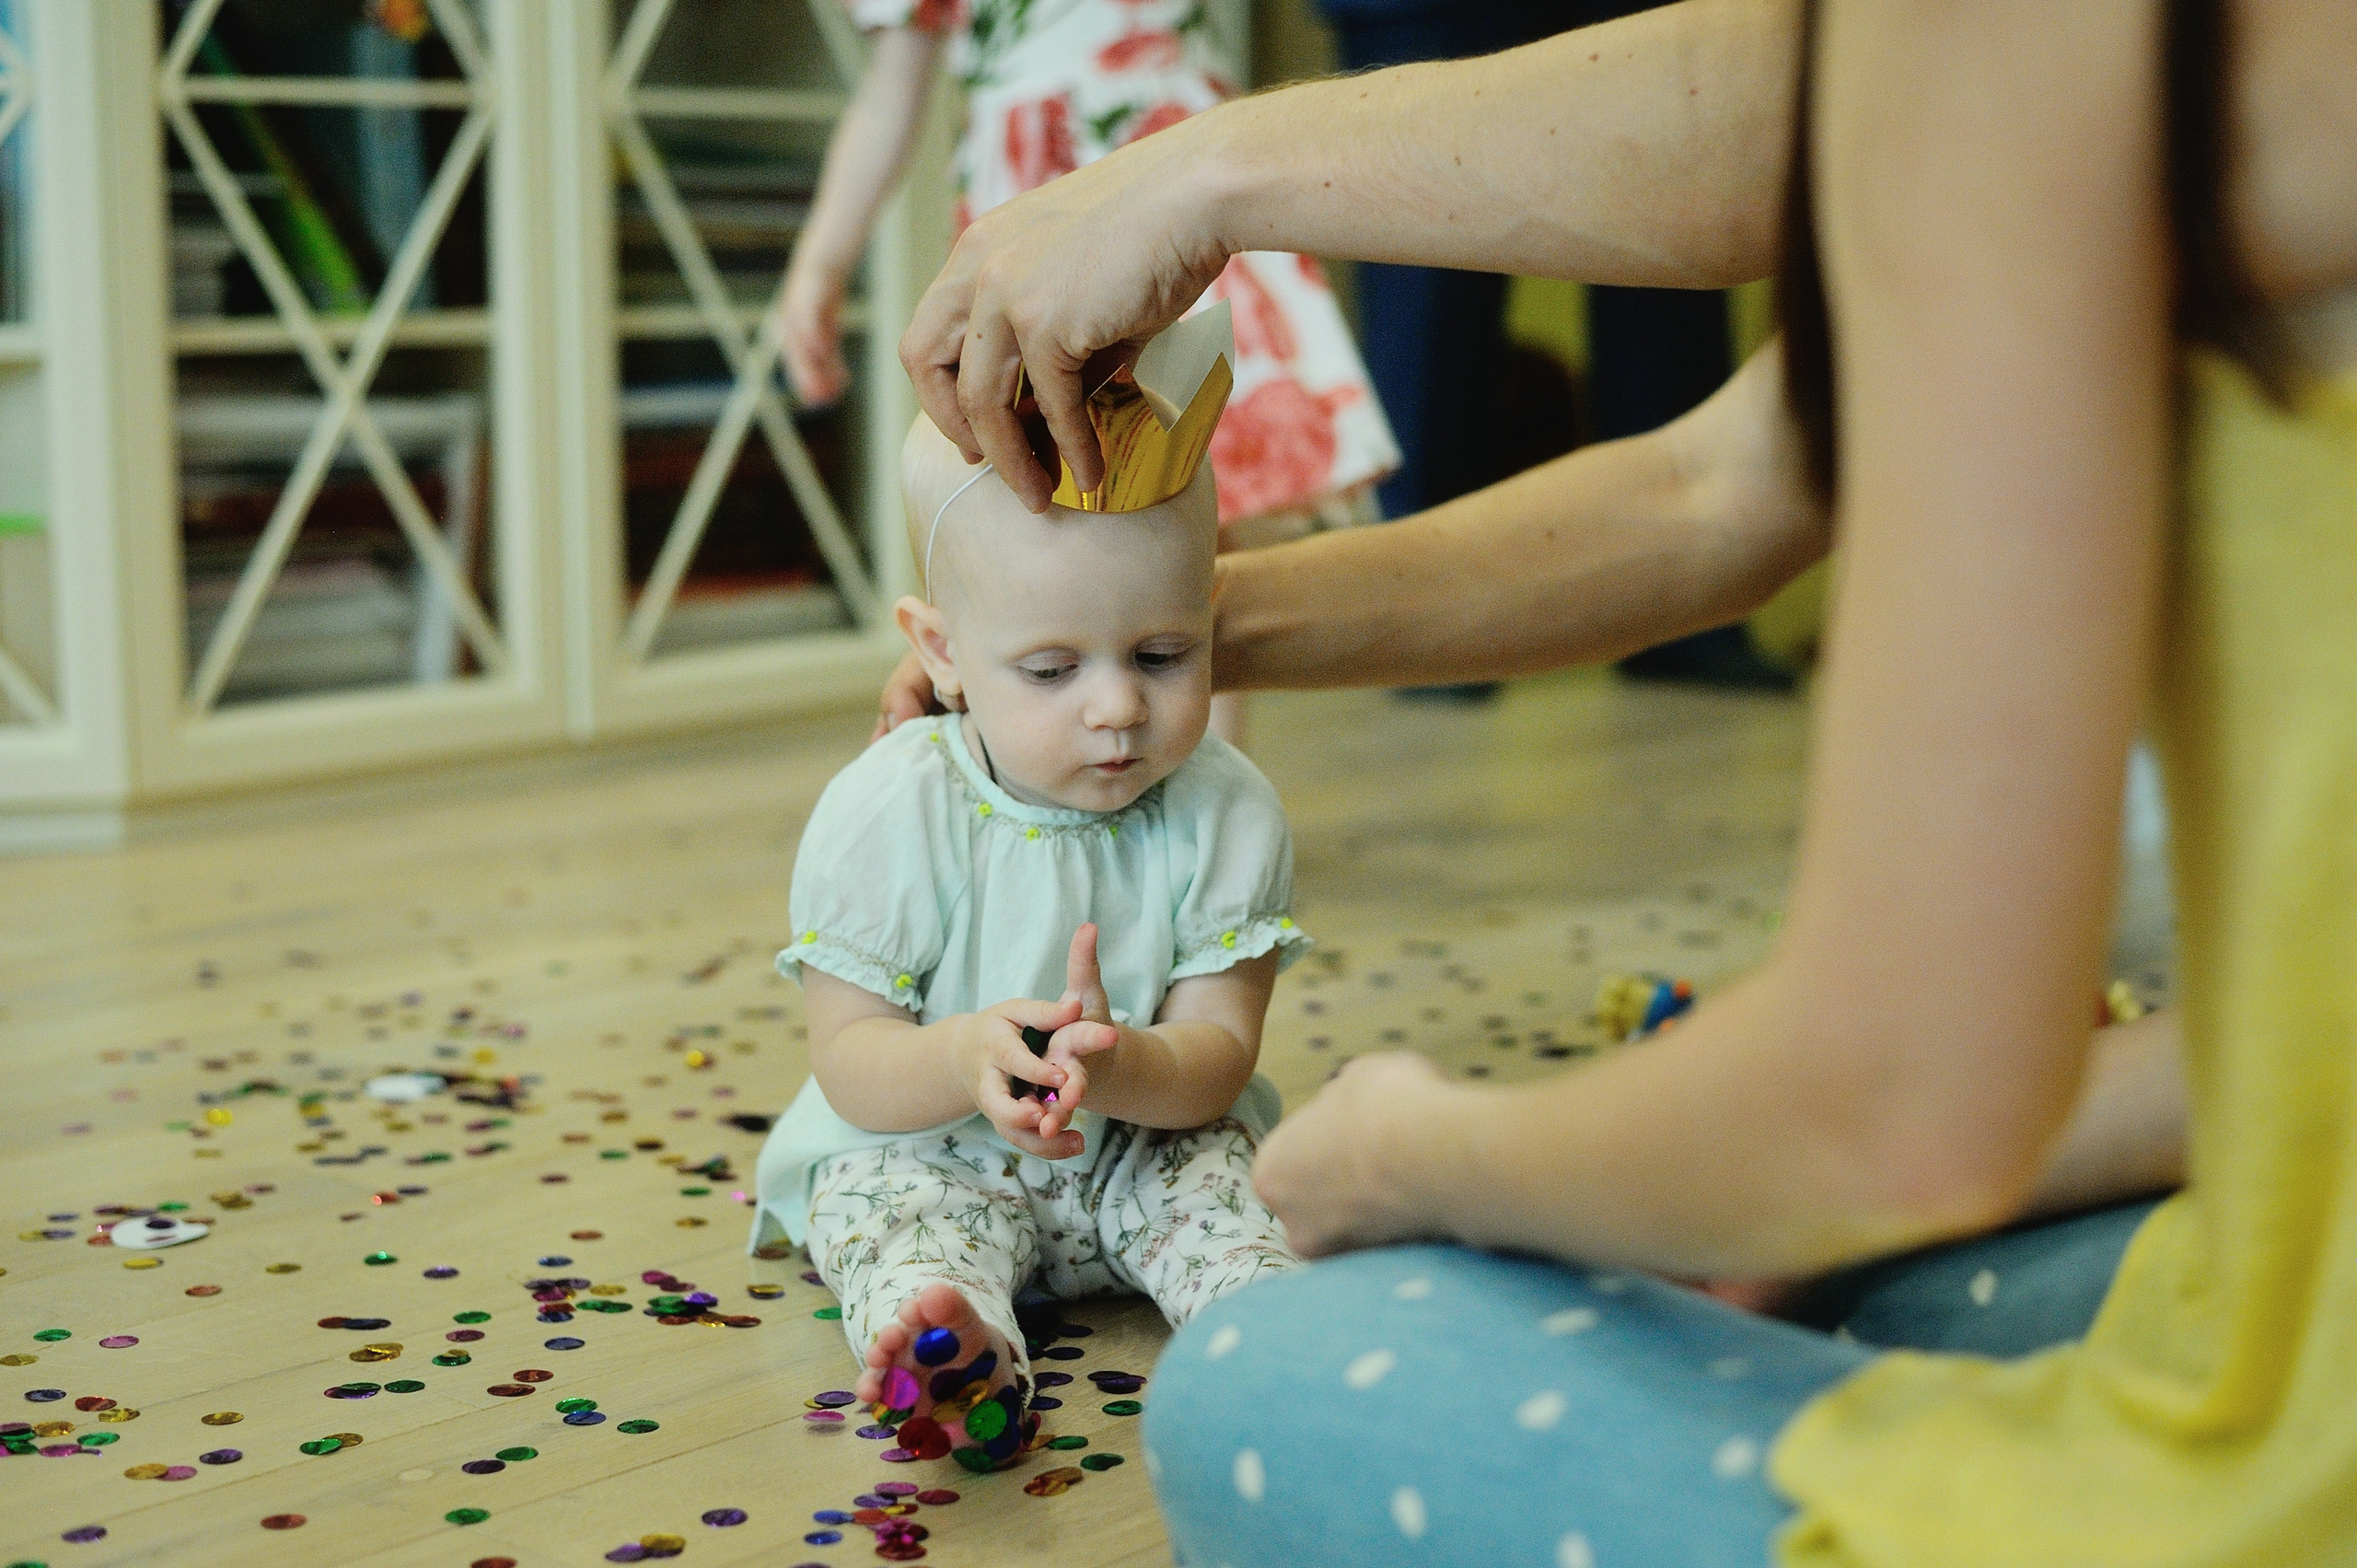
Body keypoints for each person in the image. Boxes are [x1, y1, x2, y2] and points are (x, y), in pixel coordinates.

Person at [882, 0, 2357, 1562]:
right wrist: (1140, 641)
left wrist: (1424, 1150)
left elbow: (1906, 1103)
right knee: (1875, 1269)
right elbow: (1725, 478)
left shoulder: (2044, 73)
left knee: (1273, 1378)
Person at [748, 390, 1306, 1471]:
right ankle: (960, 1354)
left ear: (1211, 617)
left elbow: (1220, 1056)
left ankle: (1271, 1338)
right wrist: (962, 1051)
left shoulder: (1228, 809)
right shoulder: (889, 808)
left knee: (1225, 1192)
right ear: (940, 650)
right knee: (884, 1215)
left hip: (1146, 1144)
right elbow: (854, 1068)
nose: (1116, 708)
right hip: (935, 1152)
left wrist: (1130, 1060)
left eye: (1161, 653)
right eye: (1052, 670)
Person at [775, 0, 1399, 747]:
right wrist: (820, 263)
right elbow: (894, 86)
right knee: (1056, 518)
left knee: (1196, 512)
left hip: (1184, 176)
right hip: (1039, 199)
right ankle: (1063, 767)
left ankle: (1203, 790)